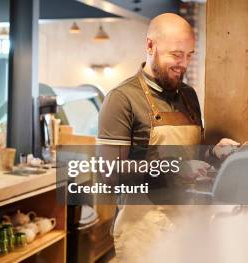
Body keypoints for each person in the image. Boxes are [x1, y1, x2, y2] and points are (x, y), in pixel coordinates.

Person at [97, 13, 239, 261]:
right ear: (150, 45)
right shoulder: (121, 99)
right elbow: (109, 173)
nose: (183, 64)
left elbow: (190, 153)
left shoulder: (188, 95)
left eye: (189, 55)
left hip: (189, 225)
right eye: (176, 54)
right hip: (144, 231)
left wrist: (212, 152)